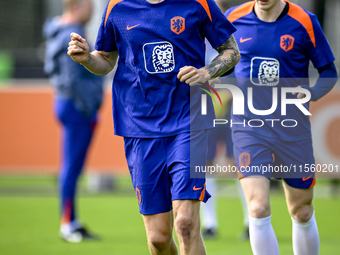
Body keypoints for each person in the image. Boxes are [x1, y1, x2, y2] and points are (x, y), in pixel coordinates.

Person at [67, 0, 240, 253]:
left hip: (189, 121)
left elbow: (231, 52)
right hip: (139, 127)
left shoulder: (199, 3)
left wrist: (207, 72)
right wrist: (86, 60)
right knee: (159, 238)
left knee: (185, 224)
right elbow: (105, 60)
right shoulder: (117, 6)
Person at [224, 0, 338, 254]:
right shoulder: (233, 17)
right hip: (248, 126)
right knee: (257, 207)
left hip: (291, 127)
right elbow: (220, 60)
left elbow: (329, 71)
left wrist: (312, 93)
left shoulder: (305, 21)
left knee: (302, 210)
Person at [43, 0, 103, 243]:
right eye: (90, 4)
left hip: (71, 105)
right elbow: (70, 78)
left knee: (73, 168)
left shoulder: (60, 30)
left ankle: (73, 220)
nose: (93, 10)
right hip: (77, 108)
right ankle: (67, 224)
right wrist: (89, 106)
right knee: (70, 168)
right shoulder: (71, 33)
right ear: (77, 5)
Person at [200, 1, 249, 240]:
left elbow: (241, 68)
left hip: (233, 108)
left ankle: (251, 221)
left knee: (239, 163)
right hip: (205, 108)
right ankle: (210, 223)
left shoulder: (232, 33)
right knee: (205, 164)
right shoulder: (196, 33)